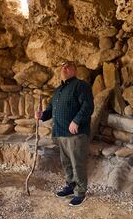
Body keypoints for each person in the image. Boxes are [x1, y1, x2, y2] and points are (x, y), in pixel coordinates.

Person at [35, 60, 94, 207]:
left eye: (68, 67)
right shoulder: (58, 91)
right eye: (62, 67)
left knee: (77, 163)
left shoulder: (81, 86)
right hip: (60, 132)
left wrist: (76, 121)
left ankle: (80, 192)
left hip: (76, 134)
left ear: (75, 71)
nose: (64, 68)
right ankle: (70, 186)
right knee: (66, 163)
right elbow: (50, 110)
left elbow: (88, 106)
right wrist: (41, 115)